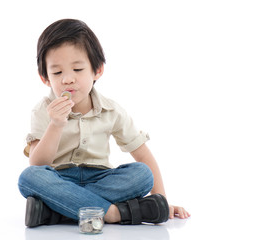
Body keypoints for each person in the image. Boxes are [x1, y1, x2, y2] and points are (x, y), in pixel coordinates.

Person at [18, 19, 190, 228]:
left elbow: (142, 154)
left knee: (143, 174)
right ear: (44, 77)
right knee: (29, 177)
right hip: (60, 180)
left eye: (78, 69)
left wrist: (161, 199)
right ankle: (114, 213)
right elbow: (38, 165)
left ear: (97, 70)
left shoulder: (112, 110)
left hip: (102, 179)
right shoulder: (43, 110)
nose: (68, 79)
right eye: (57, 72)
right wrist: (55, 124)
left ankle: (57, 211)